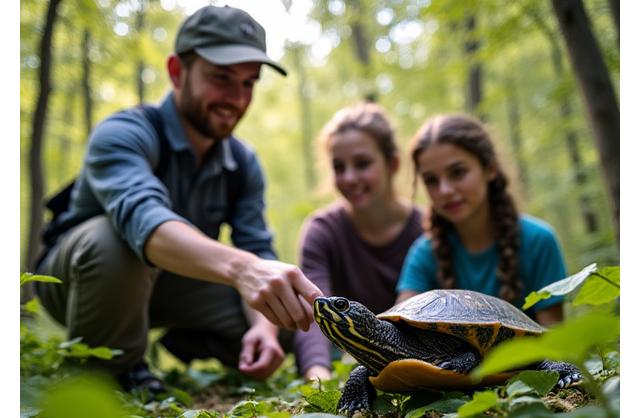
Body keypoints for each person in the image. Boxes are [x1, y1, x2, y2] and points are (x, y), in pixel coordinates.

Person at [35, 5, 325, 393]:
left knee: (284, 312)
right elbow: (144, 219)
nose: (236, 98)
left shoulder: (241, 162)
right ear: (176, 72)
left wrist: (265, 330)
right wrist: (243, 270)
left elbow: (257, 247)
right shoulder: (124, 133)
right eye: (221, 77)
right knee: (114, 239)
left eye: (248, 83)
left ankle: (187, 343)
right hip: (82, 279)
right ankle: (112, 373)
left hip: (173, 284)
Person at [396, 113, 567, 326]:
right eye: (431, 180)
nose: (445, 190)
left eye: (457, 173)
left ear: (490, 168)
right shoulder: (423, 255)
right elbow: (401, 330)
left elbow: (555, 344)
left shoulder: (539, 241)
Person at [297, 103, 424, 379]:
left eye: (362, 164)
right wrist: (318, 374)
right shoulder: (323, 231)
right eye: (339, 167)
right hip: (350, 354)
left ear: (393, 164)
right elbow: (314, 306)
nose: (349, 178)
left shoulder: (427, 230)